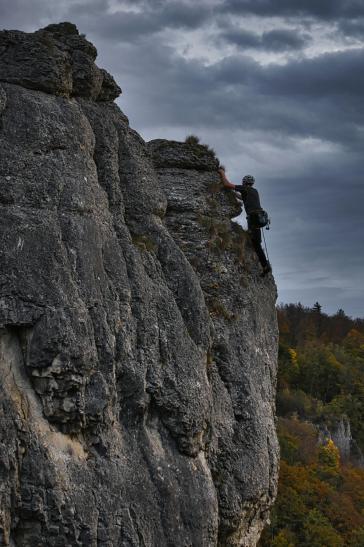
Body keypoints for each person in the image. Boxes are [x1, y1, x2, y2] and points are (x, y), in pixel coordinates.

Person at [218, 168, 271, 276]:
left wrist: (222, 172)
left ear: (244, 183)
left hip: (253, 218)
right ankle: (265, 265)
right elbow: (242, 198)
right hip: (259, 218)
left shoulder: (244, 188)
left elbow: (227, 184)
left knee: (255, 242)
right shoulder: (254, 191)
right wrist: (233, 194)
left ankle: (265, 265)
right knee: (257, 243)